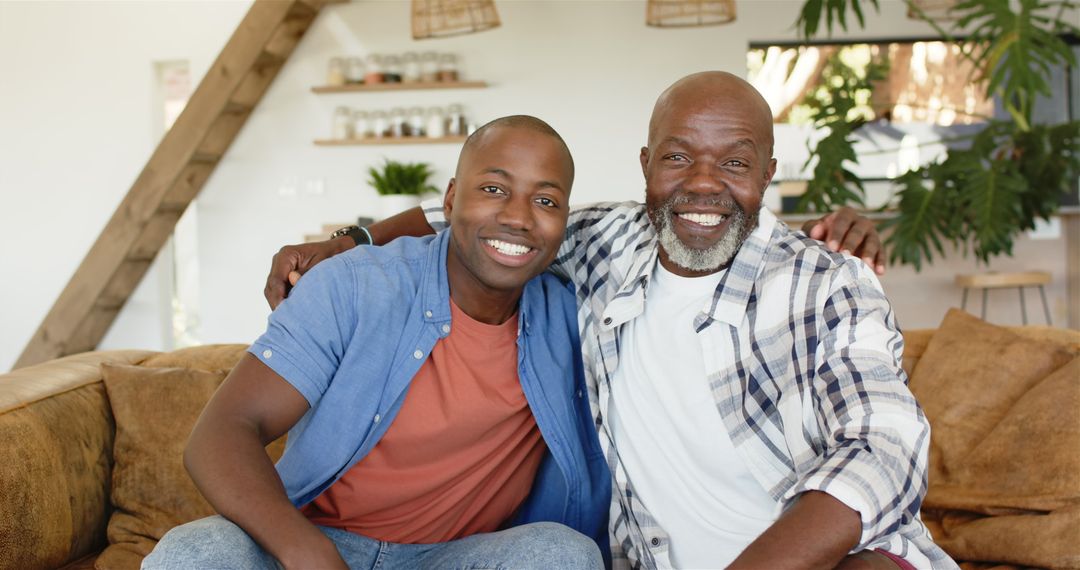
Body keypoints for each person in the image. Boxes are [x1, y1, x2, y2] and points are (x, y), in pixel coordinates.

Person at [264, 72, 955, 569]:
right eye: (679, 156)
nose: (705, 183)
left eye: (736, 163)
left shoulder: (826, 282)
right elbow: (481, 219)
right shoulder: (607, 243)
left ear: (768, 174)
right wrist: (350, 242)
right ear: (646, 165)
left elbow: (883, 447)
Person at [143, 116, 611, 570]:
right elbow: (223, 431)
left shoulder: (576, 319)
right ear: (449, 201)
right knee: (194, 553)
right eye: (493, 189)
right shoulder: (355, 285)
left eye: (546, 201)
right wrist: (307, 553)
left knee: (562, 553)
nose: (518, 217)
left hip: (456, 556)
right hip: (315, 542)